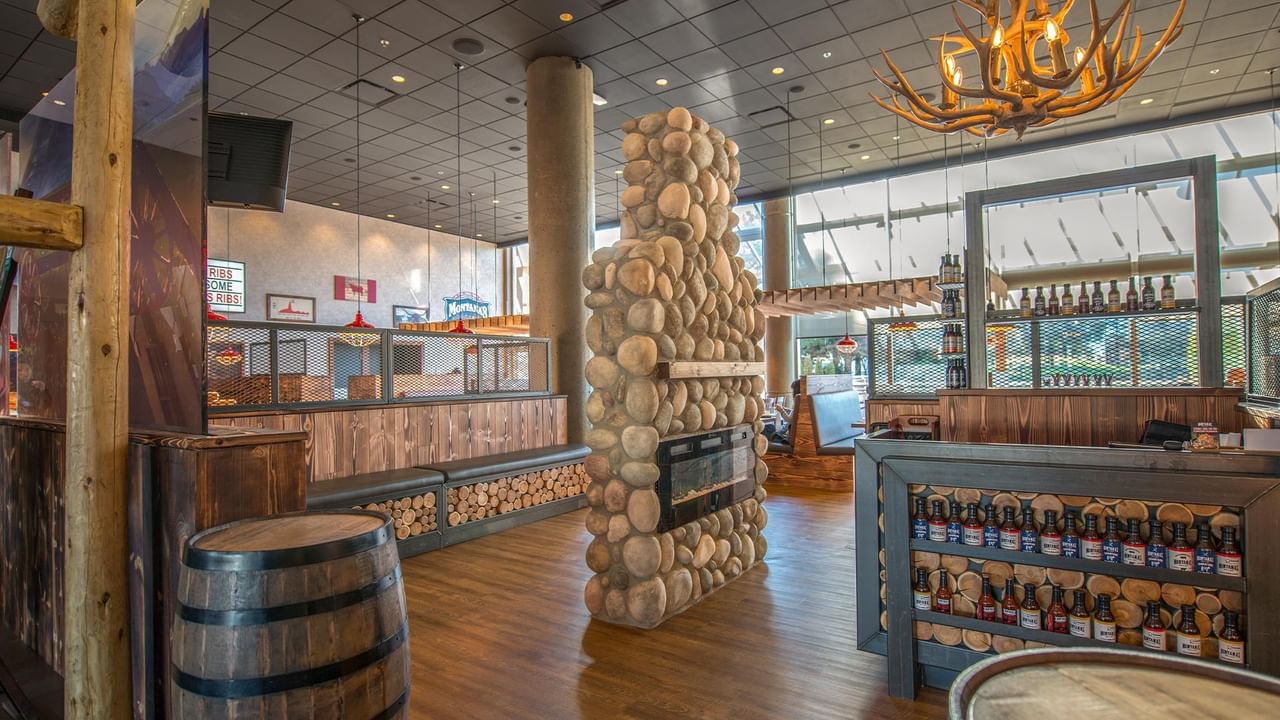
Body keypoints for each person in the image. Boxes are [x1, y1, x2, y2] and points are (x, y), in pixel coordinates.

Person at [768, 378, 802, 446]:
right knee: (770, 427)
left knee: (767, 429)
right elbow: (795, 414)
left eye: (792, 391)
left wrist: (781, 410)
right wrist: (786, 409)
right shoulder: (803, 400)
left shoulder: (798, 400)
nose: (792, 392)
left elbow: (790, 419)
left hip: (791, 438)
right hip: (795, 435)